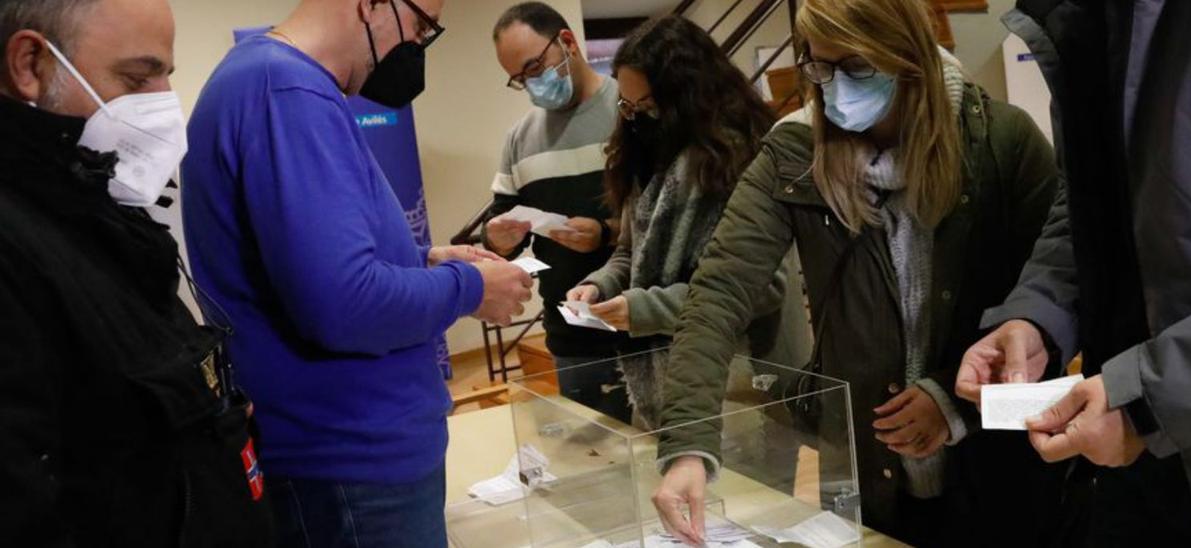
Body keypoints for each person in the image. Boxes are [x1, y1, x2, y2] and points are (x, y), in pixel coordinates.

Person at [650, 0, 1067, 546]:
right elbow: (719, 291)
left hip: (995, 477)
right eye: (819, 67)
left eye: (856, 67)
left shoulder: (1001, 142)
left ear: (907, 57)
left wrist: (954, 401)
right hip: (866, 478)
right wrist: (687, 445)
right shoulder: (794, 151)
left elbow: (1051, 312)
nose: (833, 87)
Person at [180, 0, 534, 546]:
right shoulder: (287, 92)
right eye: (421, 26)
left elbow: (311, 265)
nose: (416, 47)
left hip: (348, 456)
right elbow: (343, 305)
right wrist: (470, 289)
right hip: (350, 464)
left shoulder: (277, 84)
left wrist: (425, 263)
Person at [956, 1, 1191, 546]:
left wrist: (1149, 399)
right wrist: (1037, 314)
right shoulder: (1078, 12)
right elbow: (1090, 198)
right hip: (1127, 461)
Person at [0, 0, 273, 545]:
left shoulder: (94, 210)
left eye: (165, 77)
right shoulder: (17, 250)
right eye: (136, 78)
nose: (164, 108)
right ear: (31, 64)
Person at [564, 15, 808, 430]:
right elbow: (630, 251)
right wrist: (601, 283)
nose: (638, 118)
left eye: (649, 106)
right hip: (664, 378)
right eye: (629, 107)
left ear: (686, 96)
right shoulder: (646, 153)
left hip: (743, 378)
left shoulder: (743, 157)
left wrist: (644, 308)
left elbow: (762, 287)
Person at [487, 2, 629, 421]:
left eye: (534, 67)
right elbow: (502, 226)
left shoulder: (631, 109)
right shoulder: (520, 138)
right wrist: (498, 240)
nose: (532, 84)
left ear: (567, 42)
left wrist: (606, 232)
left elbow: (669, 216)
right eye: (519, 79)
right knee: (596, 470)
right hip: (572, 334)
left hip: (647, 325)